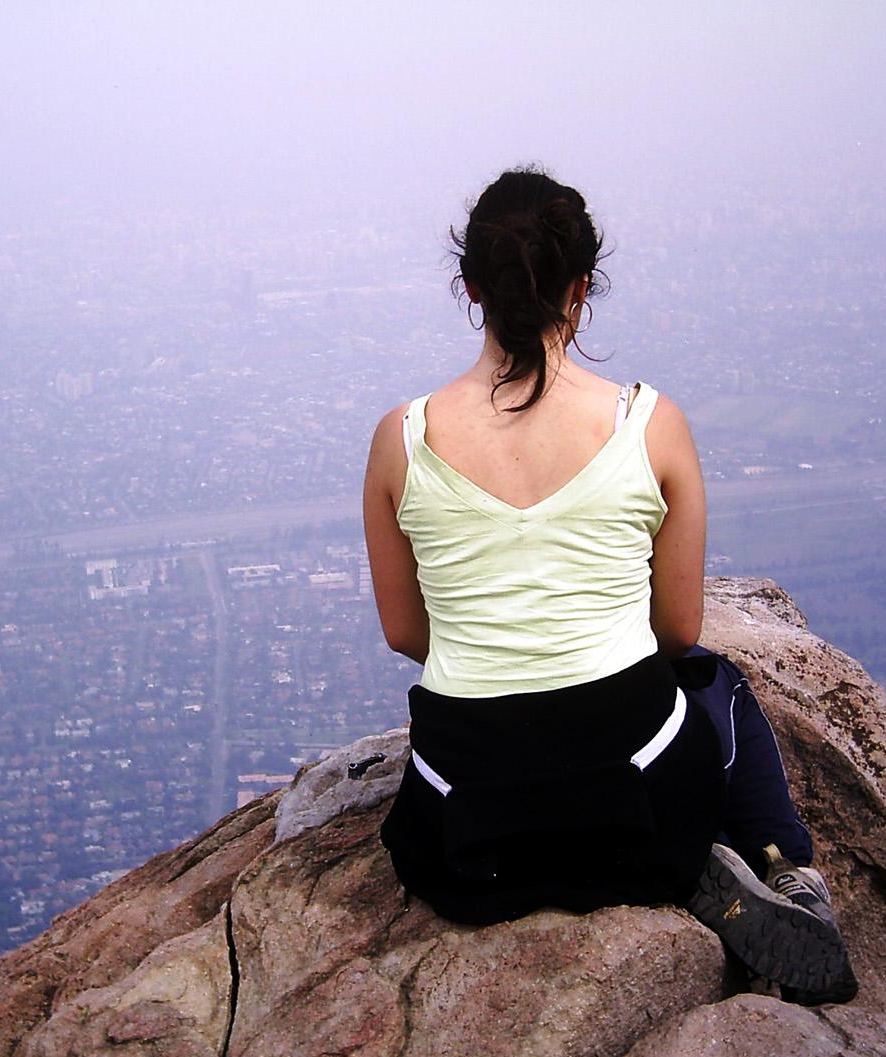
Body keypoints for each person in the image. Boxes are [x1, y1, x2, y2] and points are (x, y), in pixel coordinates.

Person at [362, 167, 856, 1004]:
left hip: (465, 838)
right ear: (583, 286)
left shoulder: (398, 442)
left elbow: (408, 635)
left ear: (470, 286)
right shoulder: (649, 425)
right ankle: (784, 872)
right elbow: (678, 626)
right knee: (716, 681)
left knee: (486, 769)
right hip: (643, 809)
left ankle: (575, 843)